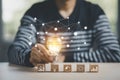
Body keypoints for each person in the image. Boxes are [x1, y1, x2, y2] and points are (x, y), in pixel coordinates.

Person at [8, 0, 120, 67]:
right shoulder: (34, 13)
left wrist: (66, 58)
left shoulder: (94, 13)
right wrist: (30, 57)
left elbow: (114, 53)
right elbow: (14, 51)